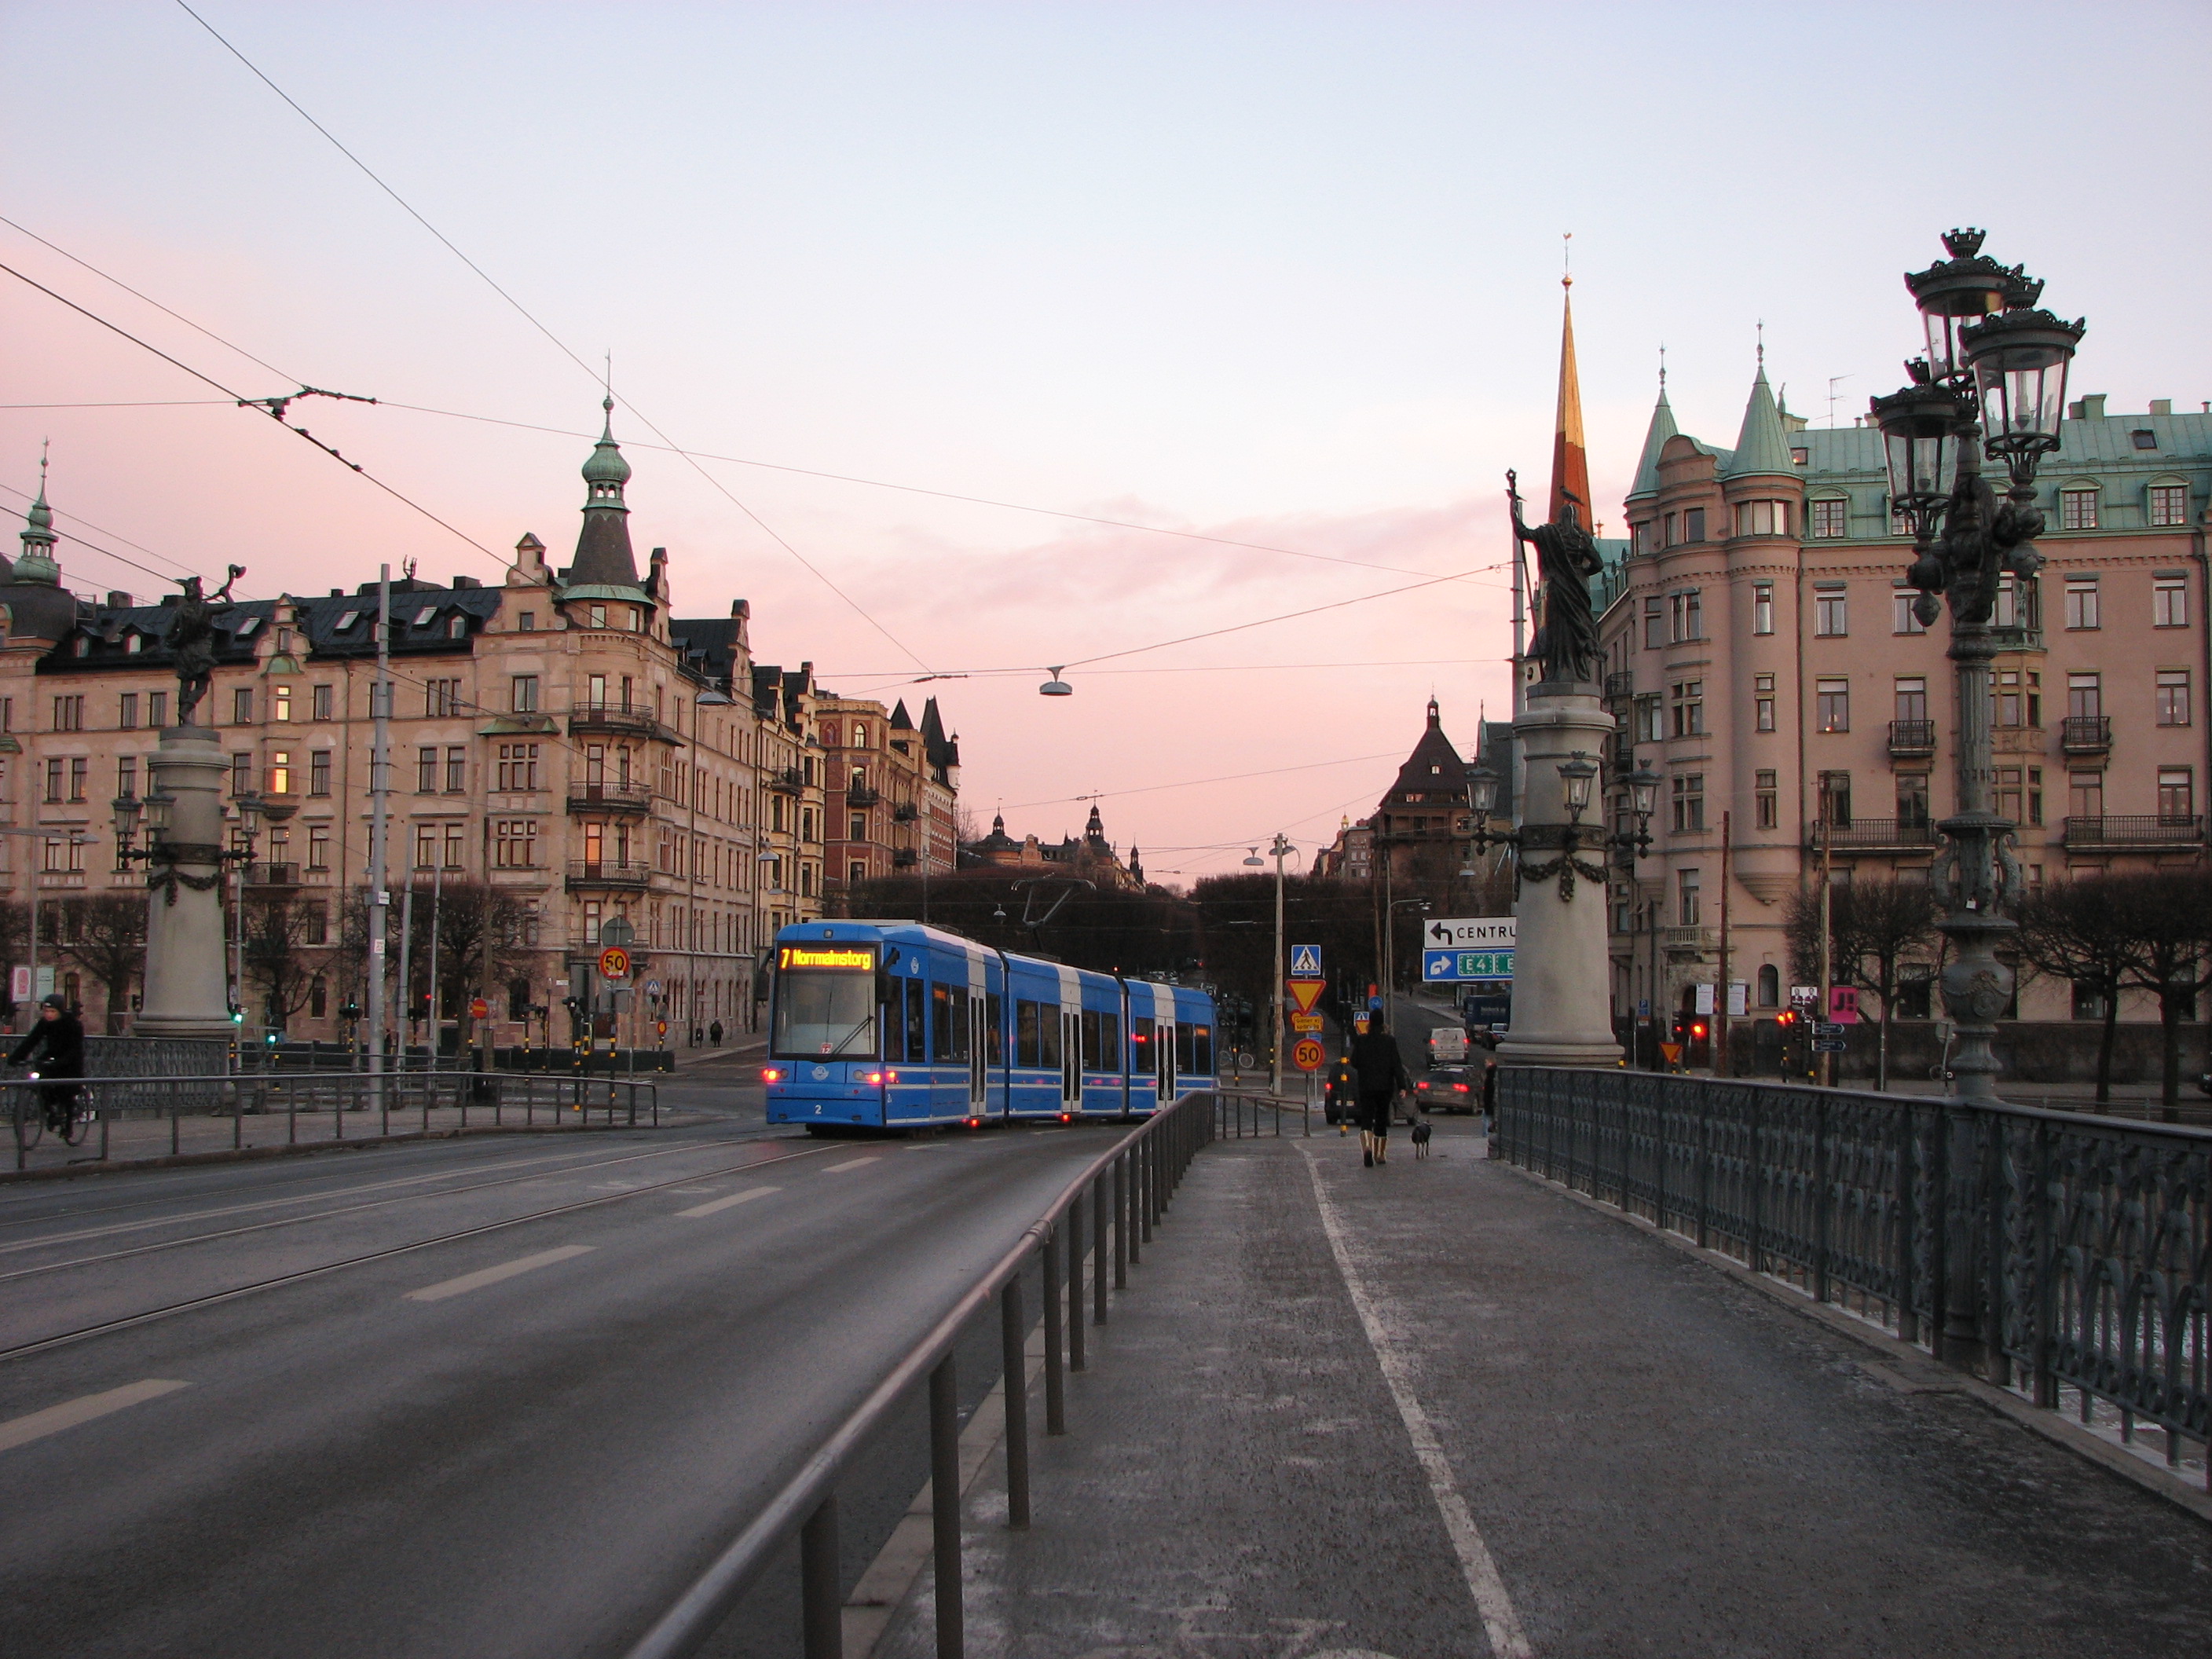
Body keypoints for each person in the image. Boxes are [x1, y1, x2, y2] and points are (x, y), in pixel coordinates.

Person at [11, 994, 86, 1133]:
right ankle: (50, 1110)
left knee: (66, 1089)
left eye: (52, 1012)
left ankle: (68, 1123)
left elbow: (75, 1049)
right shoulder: (44, 1023)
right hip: (52, 1055)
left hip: (71, 1060)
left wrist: (61, 1062)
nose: (49, 1015)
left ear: (60, 1011)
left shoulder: (72, 1023)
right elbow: (32, 1040)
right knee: (41, 1080)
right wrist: (16, 1057)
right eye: (47, 1012)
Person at [1349, 1013, 1411, 1167]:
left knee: (1367, 1118)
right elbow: (1397, 1064)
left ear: (1369, 1023)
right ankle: (1380, 1154)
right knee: (1382, 1119)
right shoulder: (1389, 1041)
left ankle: (1367, 1148)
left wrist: (1365, 1068)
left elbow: (1354, 1062)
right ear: (1383, 1024)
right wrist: (1402, 1086)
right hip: (1384, 1087)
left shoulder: (1362, 1040)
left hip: (1366, 1086)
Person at [1324, 1055, 1361, 1133]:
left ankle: (1342, 1128)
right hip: (1357, 1095)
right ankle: (1343, 1130)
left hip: (1335, 1094)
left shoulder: (1336, 1067)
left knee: (1332, 1112)